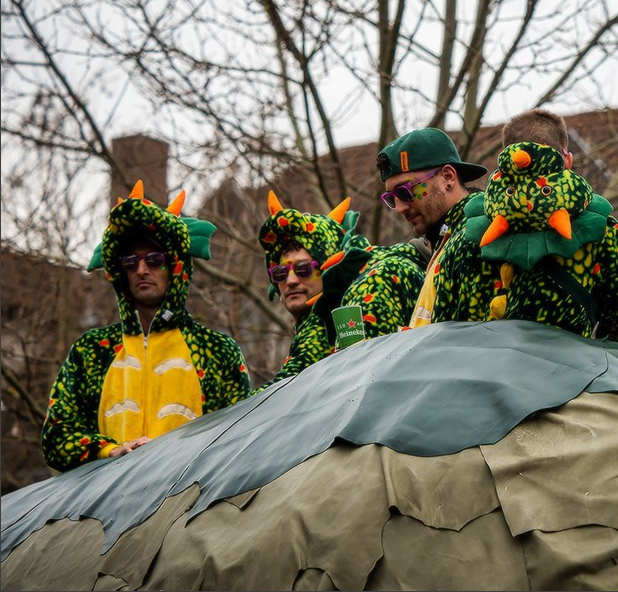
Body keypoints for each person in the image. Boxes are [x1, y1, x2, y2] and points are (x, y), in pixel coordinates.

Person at [41, 181, 251, 471]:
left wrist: (174, 456)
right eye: (131, 261)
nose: (142, 269)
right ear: (120, 271)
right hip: (107, 508)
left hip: (187, 505)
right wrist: (111, 450)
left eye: (154, 259)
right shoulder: (91, 351)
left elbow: (240, 440)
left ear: (176, 266)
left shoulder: (217, 350)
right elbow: (56, 437)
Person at [422, 109, 618, 341]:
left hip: (481, 371)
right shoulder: (599, 228)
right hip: (569, 372)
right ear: (566, 160)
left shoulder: (468, 232)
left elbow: (442, 327)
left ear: (509, 162)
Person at [255, 190, 426, 390]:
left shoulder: (323, 324)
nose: (291, 280)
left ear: (328, 267)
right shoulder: (308, 326)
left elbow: (278, 394)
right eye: (280, 273)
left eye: (303, 269)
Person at [377, 127, 488, 327]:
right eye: (391, 199)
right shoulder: (448, 240)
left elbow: (470, 343)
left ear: (448, 177)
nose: (399, 208)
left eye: (404, 191)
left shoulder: (473, 236)